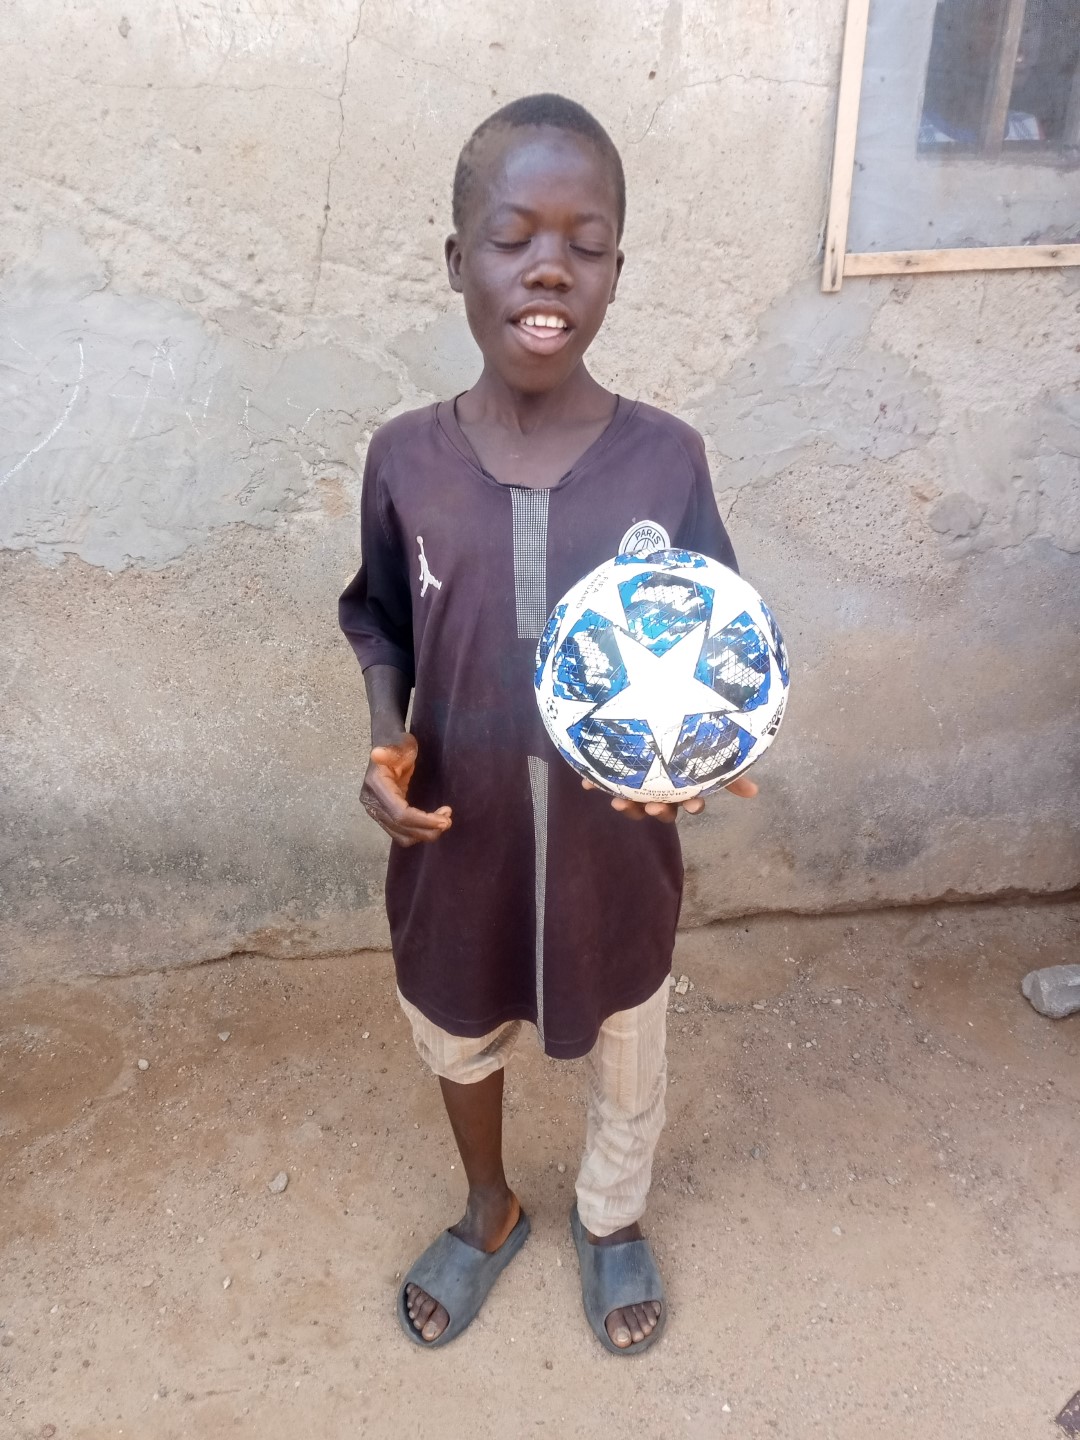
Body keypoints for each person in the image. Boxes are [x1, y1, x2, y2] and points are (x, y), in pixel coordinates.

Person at [339, 93, 757, 1355]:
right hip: (455, 840)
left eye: (586, 242)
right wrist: (385, 742)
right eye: (514, 236)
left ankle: (610, 1218)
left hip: (613, 856)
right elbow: (380, 620)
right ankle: (489, 1205)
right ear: (456, 258)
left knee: (628, 1038)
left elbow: (722, 653)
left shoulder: (667, 461)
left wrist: (702, 763)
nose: (549, 267)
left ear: (618, 270)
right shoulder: (406, 459)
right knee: (458, 1030)